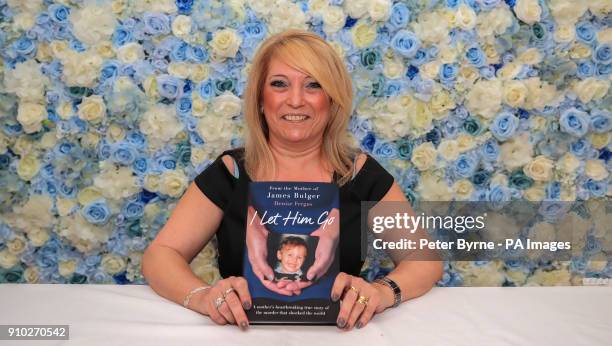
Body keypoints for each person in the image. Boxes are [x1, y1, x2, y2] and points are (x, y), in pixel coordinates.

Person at [142, 29, 443, 332]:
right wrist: (203, 297)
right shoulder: (231, 172)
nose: (296, 100)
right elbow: (160, 256)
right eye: (279, 84)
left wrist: (381, 291)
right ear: (261, 99)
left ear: (332, 100)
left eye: (313, 85)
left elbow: (424, 261)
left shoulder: (360, 174)